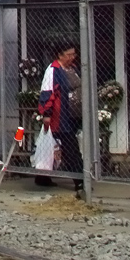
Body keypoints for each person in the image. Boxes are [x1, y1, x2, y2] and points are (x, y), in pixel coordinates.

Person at [36, 42, 83, 193]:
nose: (72, 57)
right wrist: (47, 114)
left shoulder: (74, 69)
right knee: (71, 148)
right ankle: (80, 181)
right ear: (60, 55)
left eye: (73, 54)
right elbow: (47, 92)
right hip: (60, 116)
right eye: (68, 55)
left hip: (74, 115)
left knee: (56, 146)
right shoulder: (53, 70)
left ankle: (42, 177)